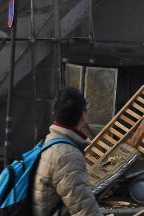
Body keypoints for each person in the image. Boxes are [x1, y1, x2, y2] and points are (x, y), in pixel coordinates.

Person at [32, 87, 103, 216]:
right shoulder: (67, 155)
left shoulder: (49, 141)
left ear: (55, 113)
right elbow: (85, 211)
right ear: (83, 115)